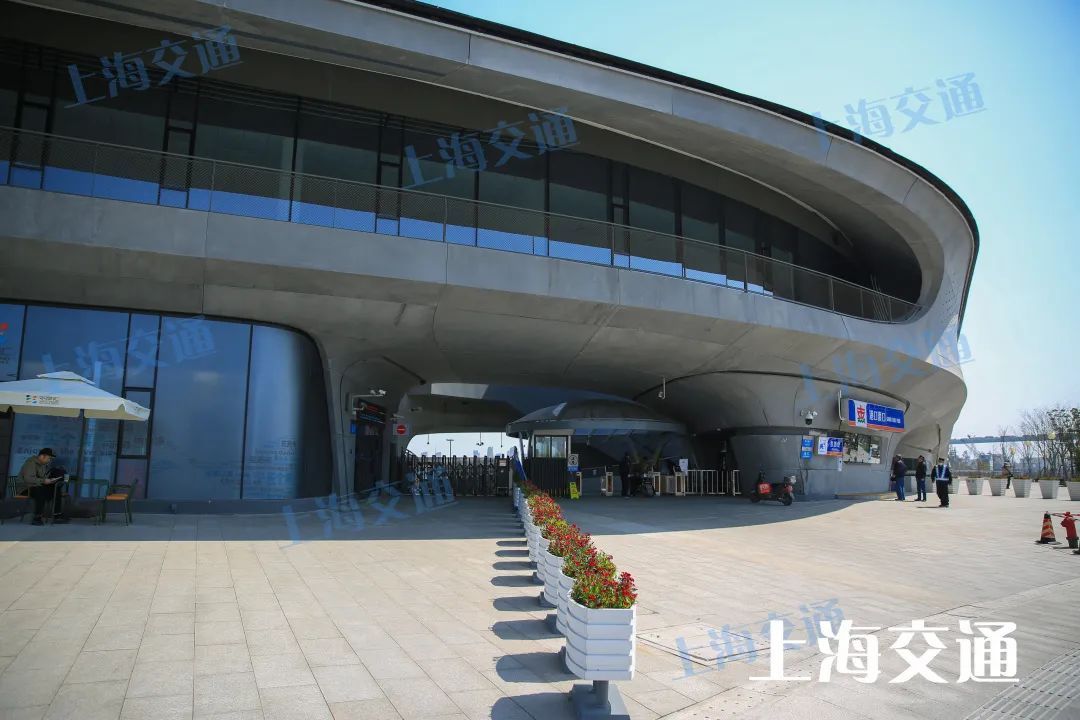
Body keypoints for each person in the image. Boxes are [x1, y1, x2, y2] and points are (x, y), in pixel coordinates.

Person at [18, 448, 69, 525]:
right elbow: (28, 478)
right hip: (24, 488)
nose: (49, 460)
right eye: (49, 458)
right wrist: (44, 481)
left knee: (55, 490)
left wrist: (51, 480)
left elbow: (41, 477)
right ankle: (37, 518)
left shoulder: (42, 465)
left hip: (35, 486)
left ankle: (57, 515)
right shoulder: (31, 463)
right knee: (40, 491)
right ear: (42, 456)